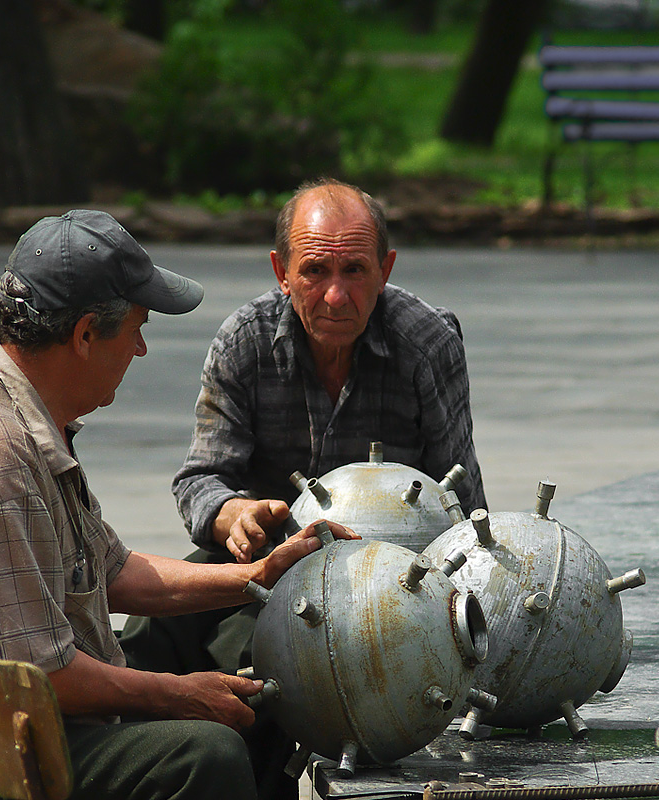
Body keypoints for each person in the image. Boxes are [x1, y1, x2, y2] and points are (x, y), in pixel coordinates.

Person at [0, 209, 354, 800]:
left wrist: (255, 577)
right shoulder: (0, 457)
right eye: (137, 328)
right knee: (207, 754)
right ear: (86, 334)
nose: (142, 350)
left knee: (248, 695)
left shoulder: (22, 416)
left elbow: (113, 570)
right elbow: (38, 676)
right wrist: (178, 692)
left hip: (35, 714)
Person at [119, 179, 487, 797]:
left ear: (386, 269)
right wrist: (232, 514)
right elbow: (200, 479)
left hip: (389, 587)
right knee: (140, 642)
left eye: (355, 270)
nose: (337, 294)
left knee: (259, 677)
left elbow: (466, 512)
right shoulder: (245, 340)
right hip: (262, 563)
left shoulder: (427, 345)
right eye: (315, 271)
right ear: (281, 272)